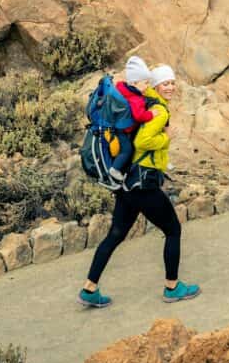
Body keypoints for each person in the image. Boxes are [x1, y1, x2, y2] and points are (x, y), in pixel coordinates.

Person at [78, 64, 201, 308]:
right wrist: (167, 138)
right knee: (173, 230)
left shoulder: (142, 103)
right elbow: (144, 140)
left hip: (125, 182)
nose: (171, 87)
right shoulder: (158, 111)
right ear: (154, 85)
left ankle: (89, 288)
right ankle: (173, 287)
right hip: (143, 183)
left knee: (116, 234)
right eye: (165, 83)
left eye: (172, 82)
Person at [108, 55, 154, 185]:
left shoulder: (122, 89)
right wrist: (151, 114)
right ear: (134, 83)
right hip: (122, 130)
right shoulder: (135, 99)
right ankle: (115, 169)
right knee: (127, 150)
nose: (147, 86)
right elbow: (139, 116)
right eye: (145, 83)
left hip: (115, 125)